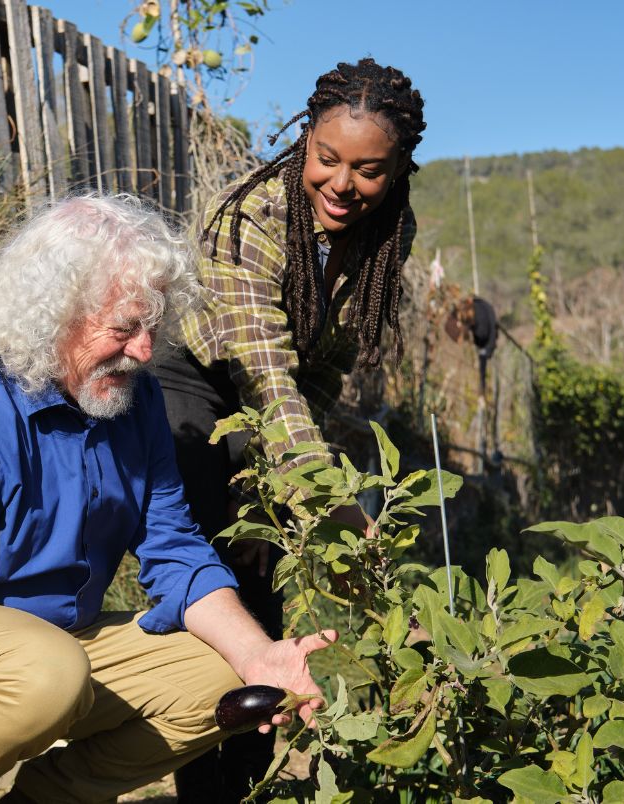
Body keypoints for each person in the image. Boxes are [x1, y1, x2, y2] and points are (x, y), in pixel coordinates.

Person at [0, 195, 336, 804]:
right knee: (48, 676)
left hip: (56, 643)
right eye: (124, 328)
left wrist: (263, 657)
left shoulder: (133, 400)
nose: (146, 350)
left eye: (152, 326)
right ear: (52, 315)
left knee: (220, 674)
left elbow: (175, 549)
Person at [155, 58, 425, 802]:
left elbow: (319, 371)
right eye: (327, 160)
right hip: (193, 378)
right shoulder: (253, 217)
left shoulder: (387, 231)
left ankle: (243, 772)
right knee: (213, 557)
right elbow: (265, 374)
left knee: (262, 560)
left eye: (368, 170)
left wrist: (311, 489)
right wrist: (334, 503)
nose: (342, 184)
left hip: (274, 393)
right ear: (306, 143)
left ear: (397, 169)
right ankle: (198, 773)